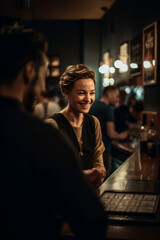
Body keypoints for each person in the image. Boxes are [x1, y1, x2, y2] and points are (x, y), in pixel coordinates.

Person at [0, 26, 107, 239]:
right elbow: (93, 220)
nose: (42, 87)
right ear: (29, 71)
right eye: (44, 73)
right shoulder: (41, 134)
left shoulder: (89, 123)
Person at [47, 64, 106, 188]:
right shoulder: (53, 125)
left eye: (92, 93)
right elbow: (49, 171)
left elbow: (99, 163)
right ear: (66, 92)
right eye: (81, 93)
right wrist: (83, 176)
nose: (88, 99)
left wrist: (99, 173)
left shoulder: (94, 122)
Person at [89, 86, 128, 177]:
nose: (118, 100)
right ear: (109, 94)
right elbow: (111, 133)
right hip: (104, 151)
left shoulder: (93, 106)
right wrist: (122, 135)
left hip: (91, 149)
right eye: (117, 96)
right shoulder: (108, 109)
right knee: (104, 180)